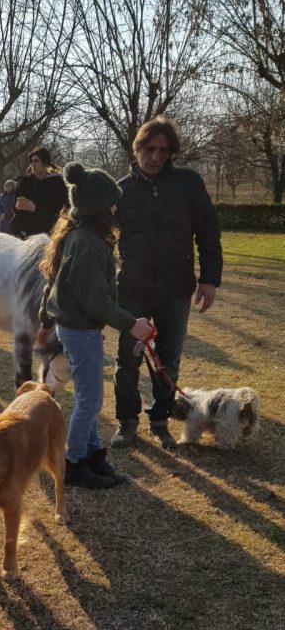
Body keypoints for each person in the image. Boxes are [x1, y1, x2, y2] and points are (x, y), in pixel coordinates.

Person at [38, 163, 154, 488]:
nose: (117, 207)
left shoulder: (79, 237)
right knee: (90, 400)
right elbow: (96, 302)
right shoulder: (88, 244)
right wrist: (132, 324)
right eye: (113, 202)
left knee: (87, 396)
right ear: (99, 207)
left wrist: (46, 321)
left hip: (77, 329)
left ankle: (91, 453)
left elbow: (57, 286)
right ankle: (73, 464)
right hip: (79, 331)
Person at [111, 116, 222, 449]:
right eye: (149, 148)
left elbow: (208, 232)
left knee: (169, 360)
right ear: (138, 148)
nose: (156, 156)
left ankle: (159, 420)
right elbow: (102, 239)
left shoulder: (189, 184)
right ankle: (126, 422)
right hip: (133, 292)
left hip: (176, 290)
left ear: (171, 152)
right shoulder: (120, 190)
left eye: (163, 150)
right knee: (127, 360)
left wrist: (210, 279)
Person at [10, 146, 68, 238]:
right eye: (31, 161)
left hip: (48, 234)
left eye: (36, 161)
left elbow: (59, 211)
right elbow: (15, 207)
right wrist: (17, 207)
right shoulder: (26, 183)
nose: (33, 164)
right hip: (23, 233)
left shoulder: (57, 184)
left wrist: (34, 208)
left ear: (45, 163)